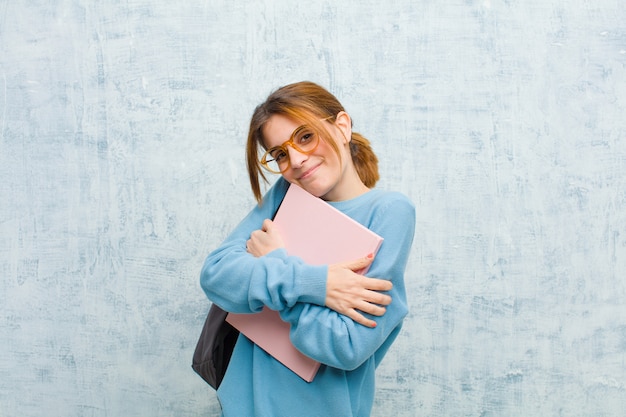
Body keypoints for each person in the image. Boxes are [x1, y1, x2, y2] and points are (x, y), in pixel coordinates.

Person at [200, 81, 415, 416]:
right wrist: (317, 284)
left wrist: (272, 267)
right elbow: (216, 276)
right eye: (280, 154)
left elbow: (345, 345)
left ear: (342, 126)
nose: (296, 161)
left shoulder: (389, 210)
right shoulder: (285, 192)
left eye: (305, 136)